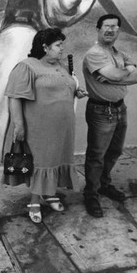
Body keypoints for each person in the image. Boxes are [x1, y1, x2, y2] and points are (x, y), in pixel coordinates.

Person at [5, 27, 87, 224]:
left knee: (56, 160)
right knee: (41, 163)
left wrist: (77, 92)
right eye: (58, 45)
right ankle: (34, 200)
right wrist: (19, 126)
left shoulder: (61, 66)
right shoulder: (27, 66)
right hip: (39, 129)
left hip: (63, 128)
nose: (61, 49)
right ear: (45, 46)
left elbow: (65, 87)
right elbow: (15, 98)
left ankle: (49, 193)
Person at [82, 14, 137, 218]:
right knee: (96, 155)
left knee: (114, 151)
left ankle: (104, 185)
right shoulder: (94, 54)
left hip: (119, 108)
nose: (110, 30)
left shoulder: (120, 53)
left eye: (114, 27)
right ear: (98, 29)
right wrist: (124, 72)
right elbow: (122, 75)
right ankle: (91, 194)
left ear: (118, 31)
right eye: (106, 26)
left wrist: (113, 77)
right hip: (100, 110)